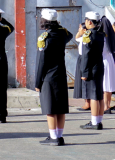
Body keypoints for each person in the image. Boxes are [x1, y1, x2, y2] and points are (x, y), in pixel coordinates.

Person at [35, 9, 73, 146]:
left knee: (50, 108)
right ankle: (59, 136)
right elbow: (71, 35)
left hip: (48, 78)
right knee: (61, 108)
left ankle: (53, 137)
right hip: (61, 76)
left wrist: (37, 82)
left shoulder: (45, 38)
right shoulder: (62, 34)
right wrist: (58, 26)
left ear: (44, 21)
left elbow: (41, 63)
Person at [77, 11, 105, 130]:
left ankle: (94, 123)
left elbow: (86, 55)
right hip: (99, 66)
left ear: (89, 21)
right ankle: (98, 121)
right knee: (99, 95)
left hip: (91, 68)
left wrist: (84, 72)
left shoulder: (88, 35)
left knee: (93, 95)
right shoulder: (100, 33)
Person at [100, 16, 115, 113]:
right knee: (109, 84)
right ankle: (107, 105)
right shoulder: (111, 37)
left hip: (104, 61)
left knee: (105, 84)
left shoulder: (102, 38)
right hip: (110, 60)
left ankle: (105, 106)